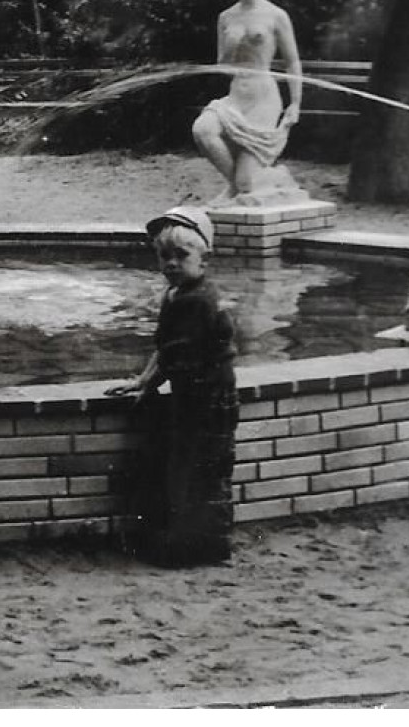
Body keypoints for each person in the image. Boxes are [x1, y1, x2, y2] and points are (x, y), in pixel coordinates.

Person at [109, 206, 239, 567]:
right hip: (193, 396)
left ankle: (206, 547)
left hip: (211, 398)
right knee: (187, 466)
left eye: (181, 255)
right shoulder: (178, 294)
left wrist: (149, 388)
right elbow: (165, 349)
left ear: (204, 259)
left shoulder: (198, 301)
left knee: (204, 469)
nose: (171, 264)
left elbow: (176, 356)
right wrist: (141, 380)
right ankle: (189, 542)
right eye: (164, 256)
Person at [191, 0, 303, 203]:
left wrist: (295, 103)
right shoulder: (226, 17)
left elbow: (293, 63)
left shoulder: (275, 15)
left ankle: (251, 185)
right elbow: (223, 67)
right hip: (236, 96)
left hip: (264, 98)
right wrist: (231, 46)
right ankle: (238, 187)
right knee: (203, 129)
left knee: (246, 183)